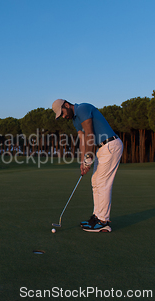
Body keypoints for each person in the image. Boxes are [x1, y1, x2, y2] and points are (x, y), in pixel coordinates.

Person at [52, 99, 123, 232]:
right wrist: (82, 162)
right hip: (101, 148)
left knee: (102, 182)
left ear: (66, 105)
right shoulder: (75, 120)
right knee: (95, 181)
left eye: (62, 113)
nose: (63, 116)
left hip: (110, 145)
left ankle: (103, 221)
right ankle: (97, 216)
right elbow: (83, 141)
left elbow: (90, 134)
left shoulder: (82, 109)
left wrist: (88, 159)